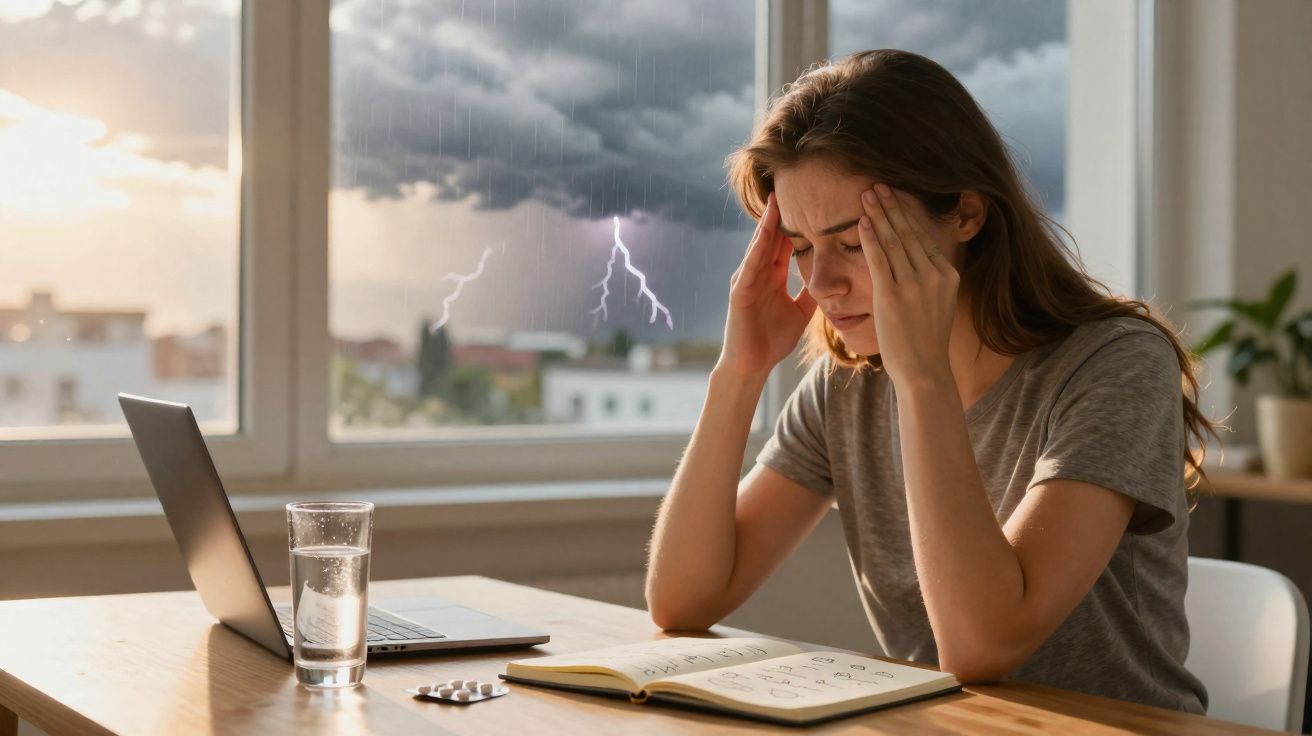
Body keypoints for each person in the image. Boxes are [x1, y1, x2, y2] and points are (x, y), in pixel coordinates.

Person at [644, 49, 1215, 714]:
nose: (820, 285)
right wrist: (737, 376)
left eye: (854, 242)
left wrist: (922, 380)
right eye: (800, 248)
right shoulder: (849, 384)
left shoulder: (1115, 364)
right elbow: (682, 600)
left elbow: (981, 648)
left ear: (966, 215)